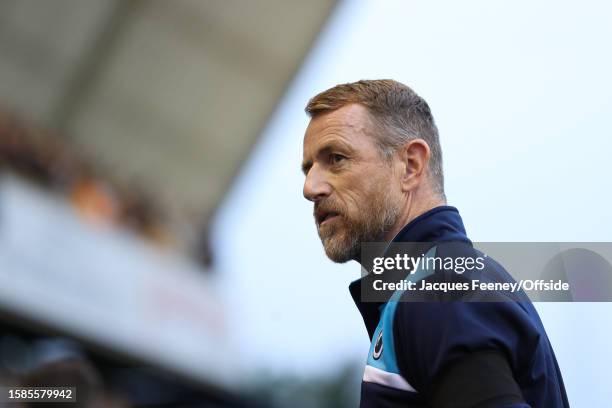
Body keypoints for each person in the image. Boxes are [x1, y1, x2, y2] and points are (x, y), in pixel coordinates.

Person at [301, 80, 569, 408]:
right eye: (308, 168)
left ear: (411, 166)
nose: (310, 187)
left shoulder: (439, 291)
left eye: (337, 158)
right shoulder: (439, 282)